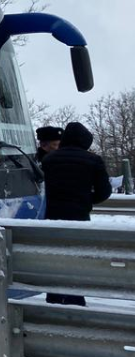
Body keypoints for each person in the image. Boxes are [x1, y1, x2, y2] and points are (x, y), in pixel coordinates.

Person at [41, 121, 112, 305]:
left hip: (52, 219)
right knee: (75, 261)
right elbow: (104, 192)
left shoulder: (49, 160)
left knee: (54, 260)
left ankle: (54, 299)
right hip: (78, 218)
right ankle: (76, 300)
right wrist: (86, 200)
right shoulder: (93, 161)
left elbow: (42, 190)